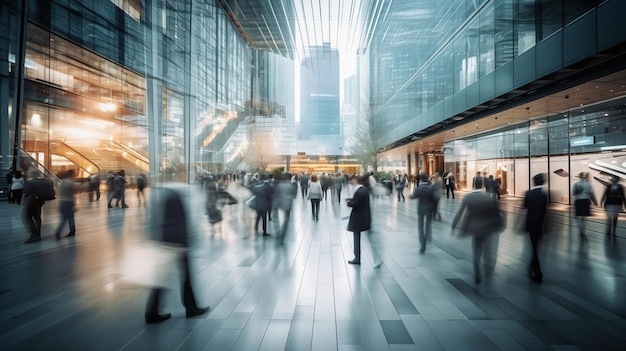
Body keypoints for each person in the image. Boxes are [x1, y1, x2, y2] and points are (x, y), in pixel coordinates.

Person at [144, 186, 209, 324]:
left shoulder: (165, 193)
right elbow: (177, 222)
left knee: (164, 277)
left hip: (167, 240)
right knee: (184, 276)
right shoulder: (174, 195)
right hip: (176, 242)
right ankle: (190, 308)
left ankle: (152, 312)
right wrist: (184, 242)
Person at [451, 177, 503, 283]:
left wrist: (453, 226)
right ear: (483, 185)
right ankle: (488, 267)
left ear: (474, 184)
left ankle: (477, 273)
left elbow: (460, 213)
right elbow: (496, 214)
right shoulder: (488, 198)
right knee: (487, 249)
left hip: (475, 228)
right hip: (487, 228)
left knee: (476, 249)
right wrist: (499, 226)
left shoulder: (468, 198)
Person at [523, 173, 548, 283]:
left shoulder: (529, 193)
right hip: (540, 224)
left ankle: (537, 272)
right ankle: (533, 267)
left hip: (531, 224)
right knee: (536, 247)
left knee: (534, 247)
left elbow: (525, 206)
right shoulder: (544, 195)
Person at [22, 168, 55, 243]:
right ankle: (38, 234)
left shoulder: (29, 183)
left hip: (30, 203)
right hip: (39, 202)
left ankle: (34, 234)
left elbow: (25, 192)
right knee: (37, 217)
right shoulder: (44, 182)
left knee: (27, 218)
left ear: (31, 174)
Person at [346, 174, 371, 265]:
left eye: (352, 180)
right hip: (363, 217)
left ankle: (357, 258)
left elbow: (355, 204)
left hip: (359, 218)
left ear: (356, 180)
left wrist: (349, 203)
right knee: (357, 238)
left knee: (356, 239)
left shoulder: (360, 191)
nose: (351, 182)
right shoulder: (363, 190)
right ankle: (357, 257)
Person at [409, 174, 437, 254]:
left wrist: (409, 196)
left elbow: (413, 196)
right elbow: (434, 199)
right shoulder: (431, 188)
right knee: (428, 225)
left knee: (420, 227)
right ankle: (427, 238)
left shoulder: (419, 188)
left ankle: (422, 244)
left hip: (421, 209)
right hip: (429, 209)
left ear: (421, 180)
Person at [572, 172, 598, 239]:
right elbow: (591, 194)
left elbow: (574, 194)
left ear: (579, 177)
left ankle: (580, 229)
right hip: (586, 201)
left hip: (578, 201)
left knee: (578, 217)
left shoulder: (576, 184)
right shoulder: (588, 184)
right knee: (583, 218)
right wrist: (595, 201)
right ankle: (582, 230)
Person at [54, 169, 77, 239]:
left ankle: (65, 231)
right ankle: (69, 231)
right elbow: (73, 194)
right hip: (69, 201)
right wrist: (75, 205)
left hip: (62, 201)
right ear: (72, 174)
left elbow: (59, 191)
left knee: (64, 218)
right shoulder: (71, 183)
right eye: (74, 173)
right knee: (70, 217)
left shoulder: (62, 182)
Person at [275, 173, 297, 244]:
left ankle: (279, 233)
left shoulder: (279, 185)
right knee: (286, 220)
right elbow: (294, 195)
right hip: (288, 204)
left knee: (279, 219)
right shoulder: (291, 185)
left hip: (280, 203)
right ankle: (282, 236)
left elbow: (276, 194)